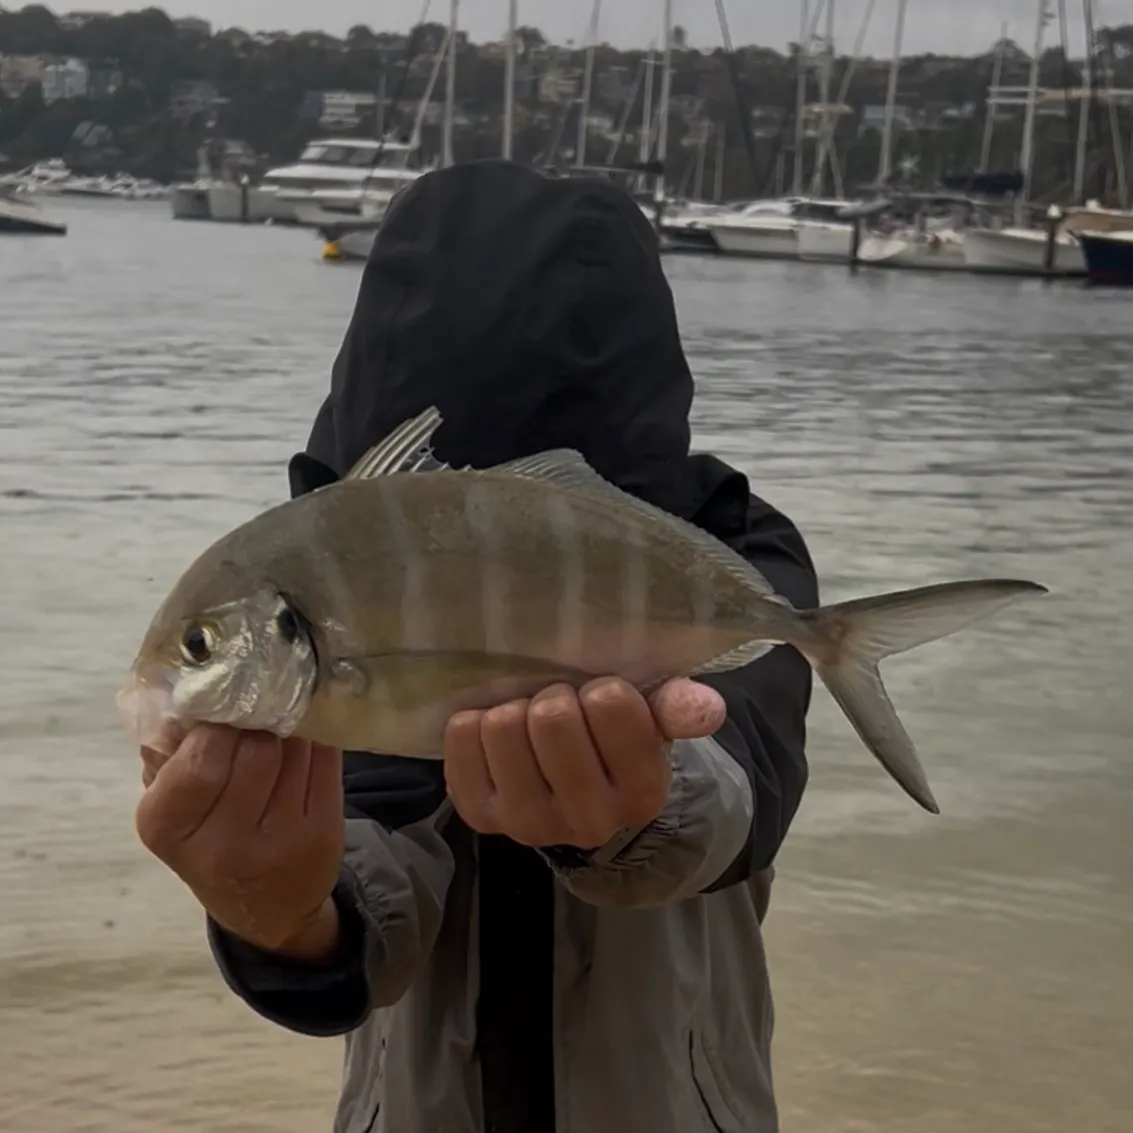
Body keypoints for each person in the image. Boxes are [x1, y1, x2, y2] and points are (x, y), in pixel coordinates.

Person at [135, 159, 819, 1133]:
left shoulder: (730, 554)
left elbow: (741, 784)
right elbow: (376, 879)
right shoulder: (338, 582)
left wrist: (636, 796)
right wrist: (280, 909)